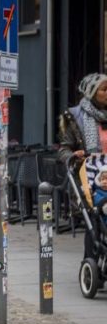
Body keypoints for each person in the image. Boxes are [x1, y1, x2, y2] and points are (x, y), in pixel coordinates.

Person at [59, 73, 107, 257]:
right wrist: (73, 155)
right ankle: (92, 262)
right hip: (89, 179)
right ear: (92, 93)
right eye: (104, 89)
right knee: (94, 222)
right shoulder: (74, 117)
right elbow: (63, 149)